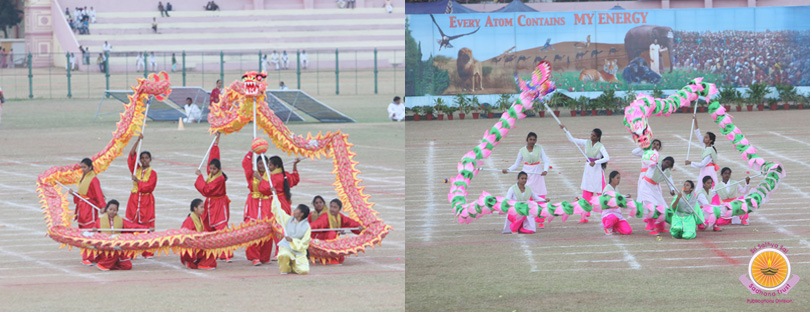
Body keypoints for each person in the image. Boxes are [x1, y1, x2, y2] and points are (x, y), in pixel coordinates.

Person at [560, 124, 609, 223]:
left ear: (598, 137)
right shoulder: (586, 142)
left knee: (601, 193)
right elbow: (572, 140)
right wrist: (565, 130)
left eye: (594, 136)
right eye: (591, 135)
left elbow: (607, 158)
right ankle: (584, 216)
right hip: (588, 170)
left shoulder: (600, 146)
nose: (591, 137)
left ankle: (606, 214)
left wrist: (595, 162)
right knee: (586, 192)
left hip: (597, 170)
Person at [194, 133, 232, 261]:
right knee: (207, 226)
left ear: (219, 169)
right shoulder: (212, 174)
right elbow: (213, 157)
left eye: (214, 169)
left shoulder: (219, 179)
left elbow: (206, 190)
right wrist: (216, 141)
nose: (211, 171)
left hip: (219, 204)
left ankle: (226, 253)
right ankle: (210, 250)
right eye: (210, 169)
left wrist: (199, 177)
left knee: (221, 227)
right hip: (210, 204)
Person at [502, 132, 550, 228]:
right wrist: (508, 170)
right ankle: (524, 218)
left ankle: (540, 220)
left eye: (534, 140)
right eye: (530, 139)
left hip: (538, 173)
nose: (532, 141)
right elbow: (516, 164)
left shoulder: (539, 148)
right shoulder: (522, 150)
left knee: (540, 195)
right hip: (527, 173)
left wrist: (545, 170)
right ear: (527, 140)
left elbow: (546, 160)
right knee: (527, 196)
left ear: (536, 141)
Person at [126, 134, 158, 258]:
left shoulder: (153, 173)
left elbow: (149, 186)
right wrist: (138, 140)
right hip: (134, 200)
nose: (144, 160)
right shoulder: (136, 169)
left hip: (146, 200)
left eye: (146, 158)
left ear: (150, 160)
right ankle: (132, 249)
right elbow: (131, 155)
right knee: (132, 224)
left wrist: (137, 181)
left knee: (146, 225)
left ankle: (147, 250)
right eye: (142, 158)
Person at [241, 150, 274, 266]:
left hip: (266, 204)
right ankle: (254, 257)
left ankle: (265, 256)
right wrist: (251, 151)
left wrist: (260, 179)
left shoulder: (270, 176)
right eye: (259, 163)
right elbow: (245, 163)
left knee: (267, 229)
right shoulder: (251, 174)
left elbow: (270, 189)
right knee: (252, 230)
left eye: (264, 164)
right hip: (253, 204)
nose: (261, 166)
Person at [70, 158, 105, 265]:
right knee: (83, 232)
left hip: (90, 208)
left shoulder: (94, 179)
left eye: (84, 167)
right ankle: (88, 256)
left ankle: (90, 256)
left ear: (90, 167)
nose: (83, 169)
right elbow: (82, 194)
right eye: (82, 167)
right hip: (82, 207)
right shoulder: (84, 177)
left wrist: (103, 205)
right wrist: (74, 194)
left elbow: (98, 193)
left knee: (90, 231)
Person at [309, 199, 364, 264]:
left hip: (332, 240)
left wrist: (359, 227)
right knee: (332, 233)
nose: (332, 209)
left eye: (335, 207)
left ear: (339, 209)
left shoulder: (340, 216)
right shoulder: (325, 216)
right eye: (331, 207)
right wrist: (306, 228)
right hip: (321, 240)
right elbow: (316, 225)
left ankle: (333, 255)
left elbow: (350, 222)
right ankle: (329, 257)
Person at [637, 156, 677, 235]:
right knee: (651, 207)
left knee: (662, 206)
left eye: (669, 164)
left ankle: (660, 227)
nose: (666, 165)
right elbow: (646, 162)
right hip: (646, 186)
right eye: (666, 162)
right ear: (663, 161)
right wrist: (653, 162)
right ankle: (651, 228)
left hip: (655, 188)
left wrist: (672, 189)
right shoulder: (655, 165)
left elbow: (670, 181)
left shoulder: (667, 172)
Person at [685, 116, 719, 202]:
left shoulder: (709, 150)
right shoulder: (705, 146)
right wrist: (695, 121)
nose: (704, 138)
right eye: (704, 137)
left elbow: (702, 164)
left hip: (708, 170)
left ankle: (703, 203)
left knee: (706, 187)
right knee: (700, 186)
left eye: (706, 137)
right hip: (705, 170)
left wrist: (690, 163)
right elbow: (697, 133)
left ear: (710, 140)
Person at [94, 200, 133, 271]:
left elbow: (132, 226)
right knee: (115, 250)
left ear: (117, 211)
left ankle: (111, 265)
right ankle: (104, 264)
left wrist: (147, 228)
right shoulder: (99, 220)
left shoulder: (120, 220)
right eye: (110, 209)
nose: (112, 211)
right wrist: (94, 231)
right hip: (105, 247)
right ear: (106, 209)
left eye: (114, 210)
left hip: (117, 245)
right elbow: (93, 234)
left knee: (127, 266)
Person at [274, 204, 311, 275]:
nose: (294, 210)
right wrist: (275, 199)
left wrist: (292, 240)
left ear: (301, 214)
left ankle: (293, 266)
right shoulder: (288, 220)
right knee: (283, 255)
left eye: (297, 209)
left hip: (299, 250)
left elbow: (305, 243)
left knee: (304, 271)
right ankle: (286, 268)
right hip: (286, 246)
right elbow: (279, 212)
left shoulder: (306, 227)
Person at [180, 199, 217, 269]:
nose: (203, 209)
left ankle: (198, 262)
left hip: (198, 245)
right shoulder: (189, 221)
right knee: (211, 250)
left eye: (203, 207)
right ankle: (202, 264)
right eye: (201, 207)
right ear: (195, 208)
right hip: (191, 248)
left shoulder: (200, 219)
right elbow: (184, 236)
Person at [602, 171, 632, 235]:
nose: (619, 180)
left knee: (628, 231)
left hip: (617, 214)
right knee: (612, 217)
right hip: (608, 214)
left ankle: (615, 226)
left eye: (619, 178)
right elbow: (610, 199)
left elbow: (618, 197)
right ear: (612, 179)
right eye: (617, 178)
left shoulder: (616, 188)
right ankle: (607, 227)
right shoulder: (607, 189)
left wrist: (626, 197)